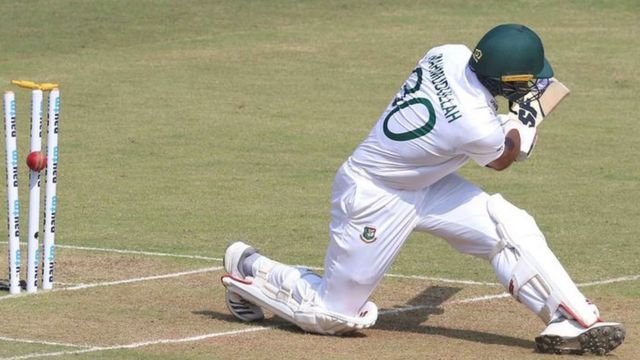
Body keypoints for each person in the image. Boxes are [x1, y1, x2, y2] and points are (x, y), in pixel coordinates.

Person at [220, 24, 625, 355]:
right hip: (374, 195)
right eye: (524, 81)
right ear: (505, 80)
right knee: (335, 317)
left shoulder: (447, 52)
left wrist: (515, 120)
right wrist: (528, 120)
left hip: (428, 182)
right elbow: (503, 157)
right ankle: (248, 270)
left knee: (509, 227)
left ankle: (572, 318)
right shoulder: (475, 126)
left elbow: (484, 128)